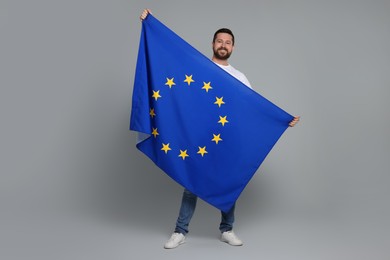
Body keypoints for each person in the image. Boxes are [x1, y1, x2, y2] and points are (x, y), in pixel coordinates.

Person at [139, 9, 300, 249]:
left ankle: (227, 229)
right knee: (191, 185)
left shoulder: (239, 76)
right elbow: (174, 74)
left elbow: (252, 108)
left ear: (233, 48)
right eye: (219, 41)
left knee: (228, 181)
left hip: (226, 139)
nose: (223, 45)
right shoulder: (199, 67)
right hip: (198, 138)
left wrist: (280, 119)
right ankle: (180, 231)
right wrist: (148, 23)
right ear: (213, 44)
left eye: (228, 42)